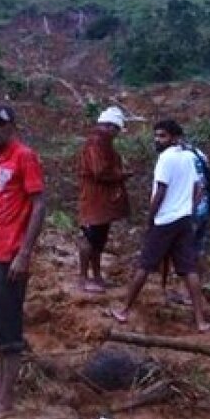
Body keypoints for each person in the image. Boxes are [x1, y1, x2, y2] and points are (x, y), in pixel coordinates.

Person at [108, 119, 210, 332]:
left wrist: (151, 218)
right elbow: (198, 188)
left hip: (165, 220)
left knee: (145, 265)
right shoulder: (189, 157)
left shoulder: (165, 159)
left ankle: (124, 310)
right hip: (184, 219)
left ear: (174, 137)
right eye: (156, 136)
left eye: (162, 136)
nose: (157, 140)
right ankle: (200, 321)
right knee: (189, 269)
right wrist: (190, 211)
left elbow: (161, 191)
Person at [0, 105, 46, 415]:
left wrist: (24, 253)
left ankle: (6, 401)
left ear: (12, 126)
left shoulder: (24, 156)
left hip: (11, 255)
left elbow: (39, 205)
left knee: (9, 331)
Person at [76, 106, 131, 294]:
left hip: (101, 201)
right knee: (90, 237)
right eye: (116, 130)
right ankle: (83, 278)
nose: (116, 134)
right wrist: (121, 175)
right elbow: (99, 171)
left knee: (98, 238)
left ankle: (97, 276)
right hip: (94, 199)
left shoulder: (103, 143)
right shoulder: (96, 143)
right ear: (109, 126)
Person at [161, 139, 210, 305]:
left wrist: (189, 209)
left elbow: (196, 187)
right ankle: (193, 292)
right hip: (204, 209)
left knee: (180, 252)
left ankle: (182, 292)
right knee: (196, 250)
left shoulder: (181, 158)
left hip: (188, 211)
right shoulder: (199, 154)